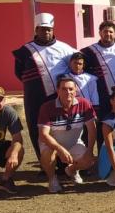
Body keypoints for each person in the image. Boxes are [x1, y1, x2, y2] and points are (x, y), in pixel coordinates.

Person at [12, 12, 74, 161]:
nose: (45, 32)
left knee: (62, 128)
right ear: (36, 30)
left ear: (53, 30)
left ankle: (64, 162)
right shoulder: (25, 51)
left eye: (48, 29)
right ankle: (45, 162)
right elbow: (19, 73)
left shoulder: (65, 49)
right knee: (37, 128)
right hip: (35, 97)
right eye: (42, 29)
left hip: (59, 97)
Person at [37, 76, 98, 193]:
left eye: (71, 89)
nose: (68, 92)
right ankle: (52, 179)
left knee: (89, 160)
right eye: (64, 89)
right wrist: (60, 149)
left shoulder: (84, 104)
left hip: (74, 143)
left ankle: (72, 170)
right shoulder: (47, 107)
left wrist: (90, 150)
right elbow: (43, 135)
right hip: (52, 145)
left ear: (76, 90)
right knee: (48, 156)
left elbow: (92, 129)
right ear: (57, 90)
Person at [81, 21, 115, 124]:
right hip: (101, 94)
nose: (108, 34)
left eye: (110, 31)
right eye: (105, 31)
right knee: (102, 123)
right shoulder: (88, 51)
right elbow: (82, 71)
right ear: (100, 33)